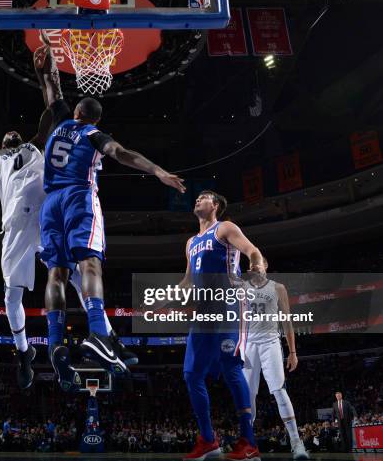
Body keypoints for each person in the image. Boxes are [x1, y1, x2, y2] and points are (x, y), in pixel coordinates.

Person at [0, 36, 136, 391]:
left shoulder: (42, 146)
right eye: (6, 133)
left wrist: (47, 71)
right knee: (12, 296)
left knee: (77, 278)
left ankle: (109, 337)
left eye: (15, 131)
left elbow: (53, 106)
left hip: (49, 217)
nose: (10, 131)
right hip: (15, 228)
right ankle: (23, 352)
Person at [37, 36, 185, 389]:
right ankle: (99, 334)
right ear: (95, 119)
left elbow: (50, 84)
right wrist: (158, 171)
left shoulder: (59, 120)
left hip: (50, 203)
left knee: (56, 273)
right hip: (77, 198)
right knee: (90, 264)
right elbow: (122, 153)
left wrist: (47, 52)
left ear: (75, 112)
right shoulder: (92, 134)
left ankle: (56, 340)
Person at [181, 191, 263, 460]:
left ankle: (248, 441)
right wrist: (165, 299)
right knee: (191, 373)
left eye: (203, 197)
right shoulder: (191, 242)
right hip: (203, 310)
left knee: (231, 367)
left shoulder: (225, 227)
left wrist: (257, 267)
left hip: (228, 303)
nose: (197, 200)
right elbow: (188, 280)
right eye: (197, 198)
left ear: (215, 205)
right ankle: (208, 439)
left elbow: (252, 251)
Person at [241, 257, 309, 459]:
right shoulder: (241, 288)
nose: (254, 265)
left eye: (258, 262)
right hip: (248, 345)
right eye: (251, 262)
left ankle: (297, 443)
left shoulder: (278, 287)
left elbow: (287, 321)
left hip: (270, 342)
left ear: (266, 266)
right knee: (248, 395)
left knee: (279, 391)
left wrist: (293, 352)